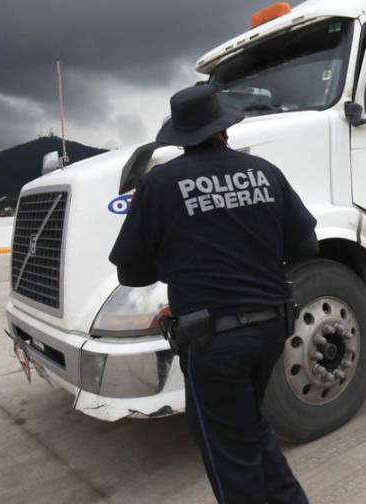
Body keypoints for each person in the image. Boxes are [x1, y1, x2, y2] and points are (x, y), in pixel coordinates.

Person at [109, 84, 316, 504]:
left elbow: (130, 272)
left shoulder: (159, 184)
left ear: (180, 136)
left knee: (228, 459)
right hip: (273, 328)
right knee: (249, 428)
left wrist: (177, 262)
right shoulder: (265, 172)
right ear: (225, 129)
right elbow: (306, 246)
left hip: (214, 343)